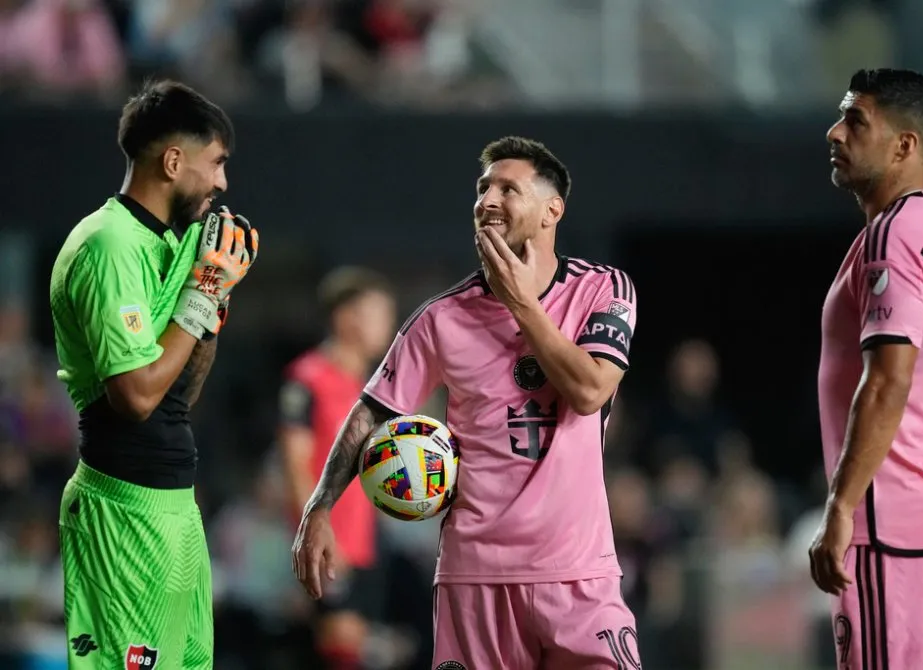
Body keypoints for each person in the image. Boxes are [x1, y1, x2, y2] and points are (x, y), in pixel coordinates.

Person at [292, 136, 642, 669]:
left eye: (508, 188)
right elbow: (373, 412)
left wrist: (522, 303)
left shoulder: (603, 289)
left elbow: (590, 390)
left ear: (553, 210)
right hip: (475, 578)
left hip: (578, 573)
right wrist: (319, 508)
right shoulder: (440, 318)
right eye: (483, 188)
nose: (488, 200)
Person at [49, 79, 259, 669]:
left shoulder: (177, 243)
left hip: (175, 508)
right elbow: (136, 397)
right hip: (121, 513)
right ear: (173, 161)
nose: (223, 183)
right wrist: (203, 291)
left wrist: (213, 305)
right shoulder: (109, 246)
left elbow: (179, 392)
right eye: (216, 163)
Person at [810, 68, 923, 670]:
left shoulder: (897, 233)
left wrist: (841, 507)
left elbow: (887, 378)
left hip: (892, 526)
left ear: (905, 145)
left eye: (856, 121)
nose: (835, 132)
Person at [278, 267, 397, 669]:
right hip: (333, 543)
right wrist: (316, 529)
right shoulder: (307, 379)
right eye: (378, 314)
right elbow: (295, 463)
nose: (388, 325)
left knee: (359, 646)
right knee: (340, 647)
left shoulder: (370, 388)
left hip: (366, 541)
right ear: (347, 318)